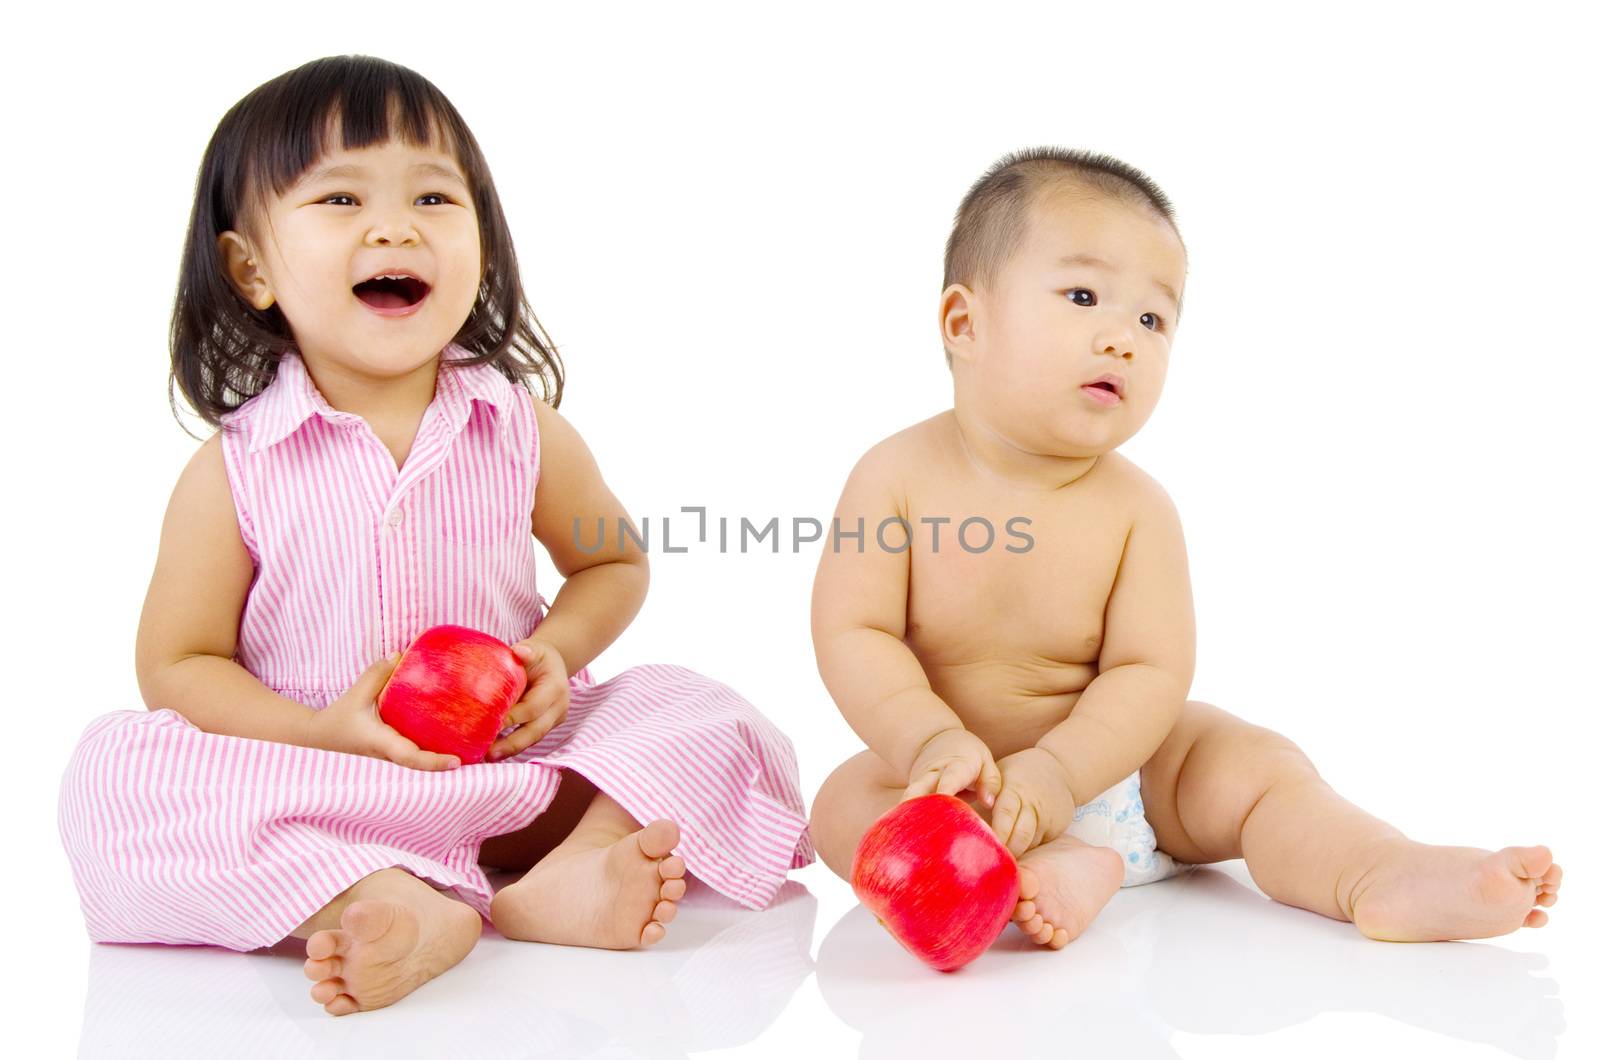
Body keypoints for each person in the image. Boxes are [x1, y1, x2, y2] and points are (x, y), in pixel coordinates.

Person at [57, 54, 811, 1017]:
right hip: (319, 782)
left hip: (517, 779)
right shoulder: (235, 467)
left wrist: (553, 654)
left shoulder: (521, 426)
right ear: (251, 269)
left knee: (708, 714)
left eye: (432, 196)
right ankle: (375, 898)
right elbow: (177, 663)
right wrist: (321, 730)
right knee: (113, 775)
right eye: (338, 198)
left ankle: (571, 876)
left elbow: (611, 561)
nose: (393, 225)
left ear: (482, 249)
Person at [807, 146, 1561, 950]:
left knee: (1258, 765)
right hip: (957, 785)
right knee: (842, 807)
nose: (1124, 339)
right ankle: (1053, 863)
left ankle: (1377, 868)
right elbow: (857, 630)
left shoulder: (1137, 509)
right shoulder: (892, 477)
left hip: (1125, 774)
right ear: (966, 323)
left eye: (1152, 319)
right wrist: (928, 739)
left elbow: (1151, 670)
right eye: (1084, 295)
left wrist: (1065, 773)